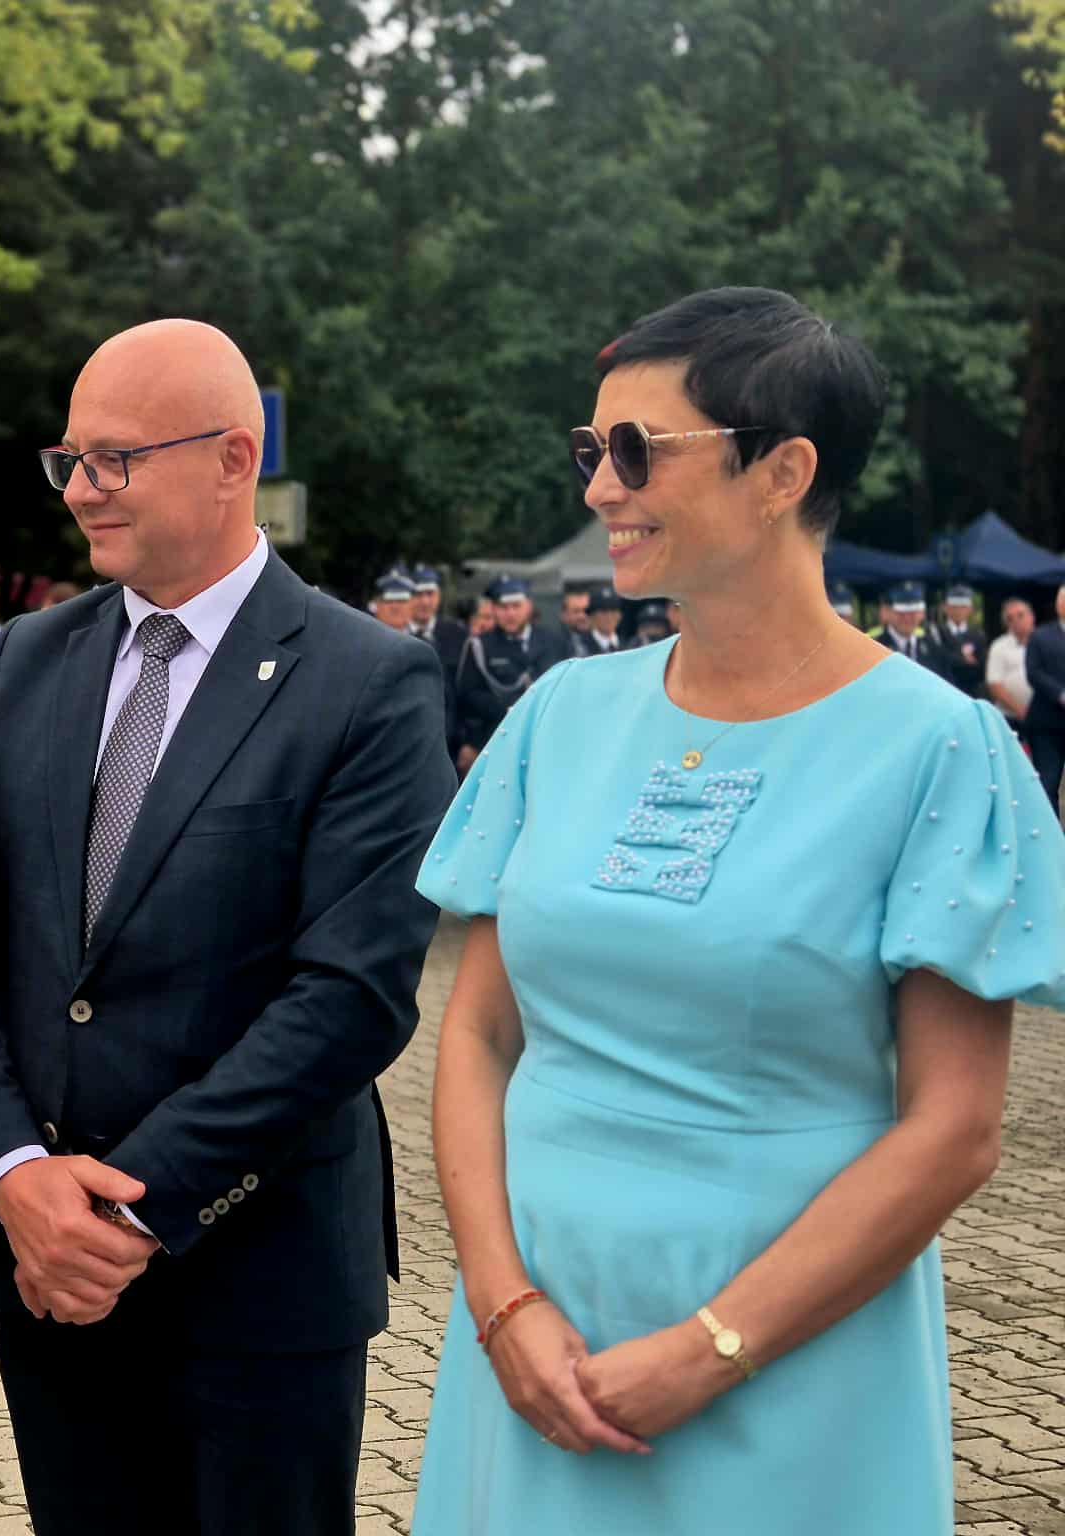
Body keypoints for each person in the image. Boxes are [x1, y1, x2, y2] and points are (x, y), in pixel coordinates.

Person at [413, 285, 1065, 1535]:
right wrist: (500, 1302)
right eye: (588, 448)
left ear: (782, 473)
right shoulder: (557, 716)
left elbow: (953, 1129)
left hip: (790, 1346)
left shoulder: (938, 748)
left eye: (635, 450)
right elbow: (478, 1035)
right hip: (530, 1336)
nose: (598, 486)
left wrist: (708, 1349)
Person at [0, 318, 454, 1536]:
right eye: (68, 461)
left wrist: (126, 1207)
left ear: (232, 459)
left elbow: (350, 994)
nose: (80, 491)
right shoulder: (27, 661)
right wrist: (11, 1176)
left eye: (113, 459)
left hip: (257, 1282)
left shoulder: (366, 681)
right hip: (46, 1269)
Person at [456, 575, 569, 772]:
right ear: (494, 609)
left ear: (529, 606)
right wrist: (509, 708)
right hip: (495, 740)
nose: (510, 613)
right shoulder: (480, 646)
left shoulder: (554, 641)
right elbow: (468, 695)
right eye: (503, 607)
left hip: (546, 739)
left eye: (516, 606)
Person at [409, 565, 469, 765]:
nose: (425, 601)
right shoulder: (394, 632)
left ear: (439, 596)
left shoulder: (458, 634)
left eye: (430, 594)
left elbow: (465, 691)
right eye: (418, 594)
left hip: (450, 741)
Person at [1022, 583, 1065, 818]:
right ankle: (1051, 833)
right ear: (1059, 605)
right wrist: (1060, 694)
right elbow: (1034, 673)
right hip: (1047, 724)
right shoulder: (1040, 636)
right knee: (1047, 782)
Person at [880, 580, 950, 679]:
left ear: (922, 613)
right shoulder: (875, 648)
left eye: (913, 612)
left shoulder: (934, 649)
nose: (907, 618)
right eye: (901, 612)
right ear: (886, 612)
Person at [985, 594, 1035, 734]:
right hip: (1009, 719)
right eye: (1010, 618)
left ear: (1032, 616)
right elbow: (994, 685)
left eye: (1020, 615)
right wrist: (1021, 711)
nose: (1016, 621)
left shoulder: (1046, 642)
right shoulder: (999, 646)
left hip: (1044, 718)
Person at [928, 583, 985, 697]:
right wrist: (963, 660)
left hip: (969, 692)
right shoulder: (936, 632)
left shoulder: (978, 635)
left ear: (970, 609)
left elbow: (980, 668)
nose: (958, 611)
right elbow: (938, 661)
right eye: (954, 606)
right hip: (943, 690)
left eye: (963, 607)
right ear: (945, 607)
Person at [577, 585, 623, 655]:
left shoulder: (628, 647)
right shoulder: (579, 646)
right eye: (603, 611)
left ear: (620, 615)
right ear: (592, 615)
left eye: (613, 610)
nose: (609, 616)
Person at [558, 586, 591, 654]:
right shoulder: (554, 643)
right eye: (576, 611)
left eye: (586, 610)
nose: (582, 616)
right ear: (563, 615)